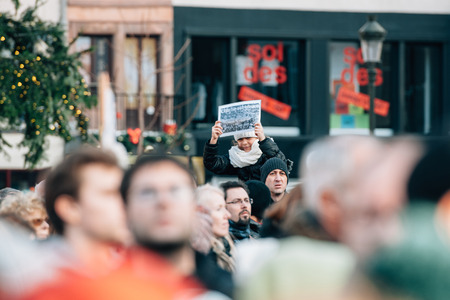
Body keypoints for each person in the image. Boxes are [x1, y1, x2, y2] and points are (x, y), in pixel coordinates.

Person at [203, 121, 292, 182]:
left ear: (257, 137)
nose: (245, 142)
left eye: (248, 138)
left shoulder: (267, 151)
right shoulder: (236, 157)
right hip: (247, 202)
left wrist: (263, 139)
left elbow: (280, 163)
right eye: (240, 139)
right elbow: (212, 164)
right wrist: (213, 139)